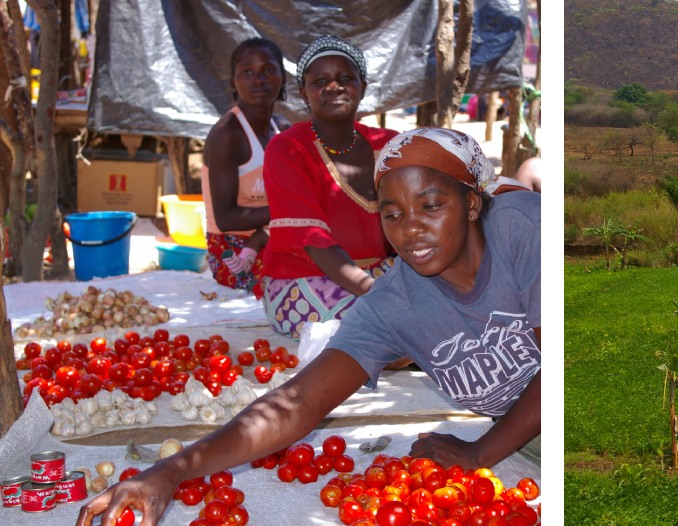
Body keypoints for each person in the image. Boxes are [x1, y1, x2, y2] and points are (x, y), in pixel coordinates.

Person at [76, 128, 540, 526]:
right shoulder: (394, 303)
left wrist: (480, 454)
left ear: (472, 203)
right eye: (392, 214)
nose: (410, 229)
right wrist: (172, 469)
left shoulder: (522, 228)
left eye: (431, 205)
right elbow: (297, 403)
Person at [260, 36, 399, 338]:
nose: (334, 87)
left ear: (362, 86)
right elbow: (313, 240)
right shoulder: (288, 149)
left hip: (381, 274)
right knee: (381, 325)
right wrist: (378, 294)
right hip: (306, 280)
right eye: (320, 81)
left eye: (346, 78)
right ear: (304, 93)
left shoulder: (391, 145)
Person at [202, 38, 290, 298]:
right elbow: (225, 219)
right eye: (247, 71)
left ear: (283, 78)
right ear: (233, 82)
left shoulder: (282, 130)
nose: (258, 79)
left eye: (269, 70)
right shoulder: (226, 134)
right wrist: (288, 210)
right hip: (232, 248)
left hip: (275, 235)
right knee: (306, 274)